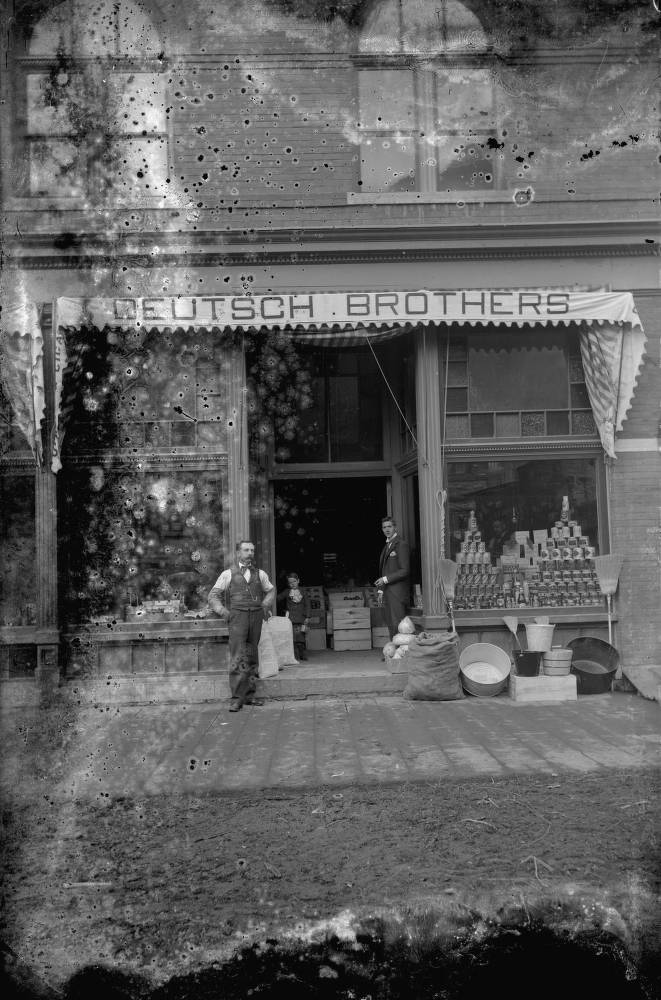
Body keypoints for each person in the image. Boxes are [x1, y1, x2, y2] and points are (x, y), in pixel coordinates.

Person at [208, 540, 275, 712]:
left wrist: (265, 607)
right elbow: (213, 596)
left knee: (252, 656)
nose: (250, 553)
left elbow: (271, 590)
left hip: (256, 616)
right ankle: (237, 698)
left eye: (252, 550)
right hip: (237, 618)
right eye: (246, 550)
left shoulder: (260, 574)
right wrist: (224, 612)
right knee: (238, 656)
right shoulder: (228, 574)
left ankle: (250, 696)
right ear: (238, 553)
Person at [374, 516, 411, 639]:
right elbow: (385, 569)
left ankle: (399, 654)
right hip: (388, 591)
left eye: (389, 526)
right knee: (390, 623)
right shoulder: (387, 546)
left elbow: (405, 570)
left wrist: (385, 579)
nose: (387, 529)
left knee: (398, 624)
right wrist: (380, 590)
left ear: (395, 527)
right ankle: (394, 652)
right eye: (384, 527)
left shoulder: (401, 544)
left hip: (397, 592)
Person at [277, 572, 312, 661]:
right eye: (290, 582)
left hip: (301, 618)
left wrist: (307, 617)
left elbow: (307, 604)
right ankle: (294, 656)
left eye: (294, 581)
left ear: (298, 581)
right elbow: (278, 598)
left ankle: (303, 654)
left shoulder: (303, 591)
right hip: (291, 618)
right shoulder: (287, 591)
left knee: (301, 637)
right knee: (292, 638)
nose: (292, 584)